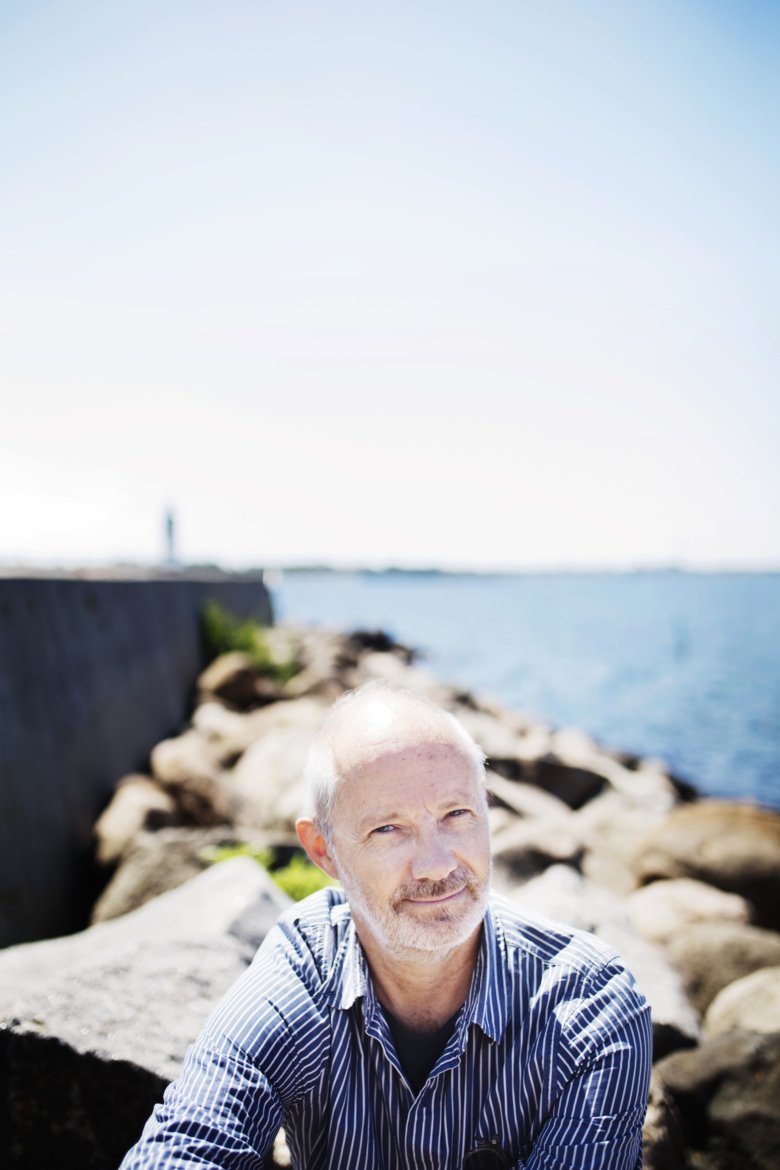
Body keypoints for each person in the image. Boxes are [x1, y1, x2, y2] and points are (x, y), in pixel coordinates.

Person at [121, 681, 652, 1169]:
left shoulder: (590, 1009)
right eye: (388, 829)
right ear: (323, 851)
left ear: (488, 808)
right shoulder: (302, 976)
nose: (437, 865)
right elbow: (193, 1141)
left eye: (457, 814)